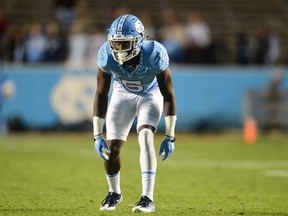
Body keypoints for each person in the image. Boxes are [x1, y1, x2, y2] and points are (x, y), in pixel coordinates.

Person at [93, 14, 177, 213]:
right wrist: (97, 135)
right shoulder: (106, 55)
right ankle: (114, 193)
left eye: (124, 44)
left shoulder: (154, 53)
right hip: (122, 94)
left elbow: (168, 94)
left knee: (146, 136)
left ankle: (147, 198)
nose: (118, 50)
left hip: (150, 94)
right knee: (112, 150)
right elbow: (101, 93)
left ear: (139, 40)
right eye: (116, 44)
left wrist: (170, 135)